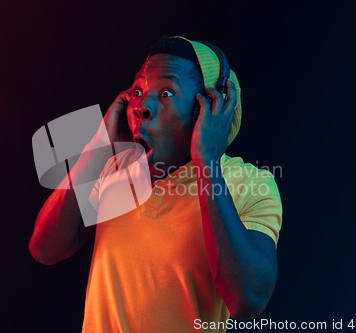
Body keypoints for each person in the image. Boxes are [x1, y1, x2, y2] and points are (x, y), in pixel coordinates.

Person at [29, 36, 283, 333]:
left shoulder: (251, 184)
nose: (141, 106)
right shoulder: (113, 170)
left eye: (166, 93)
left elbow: (249, 300)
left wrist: (208, 162)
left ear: (207, 109)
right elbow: (46, 249)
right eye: (137, 90)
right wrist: (97, 148)